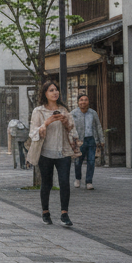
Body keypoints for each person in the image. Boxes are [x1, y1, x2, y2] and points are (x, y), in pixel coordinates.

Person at [27, 81, 79, 227]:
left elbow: (73, 131)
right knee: (47, 183)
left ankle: (64, 213)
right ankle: (45, 212)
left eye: (56, 90)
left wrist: (65, 123)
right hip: (45, 153)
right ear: (45, 93)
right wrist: (47, 122)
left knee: (64, 182)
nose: (55, 92)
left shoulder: (64, 110)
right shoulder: (39, 111)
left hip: (63, 152)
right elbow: (33, 133)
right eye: (51, 90)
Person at [70, 94, 105, 190]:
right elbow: (70, 128)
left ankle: (89, 181)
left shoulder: (93, 113)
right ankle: (78, 178)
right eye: (81, 100)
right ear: (78, 102)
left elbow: (98, 126)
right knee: (78, 161)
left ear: (88, 102)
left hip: (91, 140)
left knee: (91, 161)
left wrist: (101, 139)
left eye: (85, 100)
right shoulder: (73, 113)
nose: (83, 102)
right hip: (79, 140)